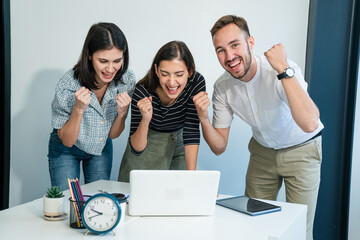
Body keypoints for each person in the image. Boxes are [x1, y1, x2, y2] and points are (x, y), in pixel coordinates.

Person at [193, 15, 323, 240]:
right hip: (262, 153)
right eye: (220, 50)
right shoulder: (222, 87)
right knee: (252, 225)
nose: (229, 56)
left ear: (250, 43)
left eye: (235, 45)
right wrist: (203, 118)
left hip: (301, 151)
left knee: (299, 229)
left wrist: (283, 68)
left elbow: (310, 123)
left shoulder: (282, 70)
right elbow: (218, 147)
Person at [48, 22, 136, 191]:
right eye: (103, 61)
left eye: (117, 60)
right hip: (66, 148)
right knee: (68, 203)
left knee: (98, 200)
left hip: (100, 146)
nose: (111, 69)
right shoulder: (68, 85)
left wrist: (122, 113)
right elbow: (67, 140)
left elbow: (114, 134)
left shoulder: (126, 79)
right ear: (89, 55)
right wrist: (78, 109)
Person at [118, 40, 206, 182]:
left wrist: (192, 180)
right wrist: (145, 119)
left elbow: (191, 129)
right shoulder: (143, 91)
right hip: (149, 141)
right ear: (157, 70)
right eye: (165, 74)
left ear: (190, 71)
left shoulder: (196, 82)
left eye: (179, 74)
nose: (172, 82)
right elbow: (136, 148)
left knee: (178, 195)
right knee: (139, 196)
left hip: (180, 141)